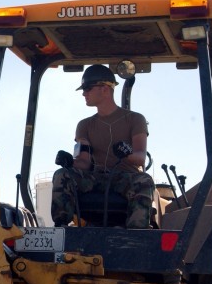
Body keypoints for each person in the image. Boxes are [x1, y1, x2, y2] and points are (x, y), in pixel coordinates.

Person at [51, 64, 154, 228]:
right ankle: (62, 229)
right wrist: (70, 162)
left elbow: (140, 158)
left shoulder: (135, 119)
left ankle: (136, 234)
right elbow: (84, 162)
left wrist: (126, 154)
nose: (84, 93)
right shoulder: (84, 125)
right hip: (96, 178)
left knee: (144, 181)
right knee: (62, 175)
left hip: (125, 177)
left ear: (105, 88)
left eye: (87, 88)